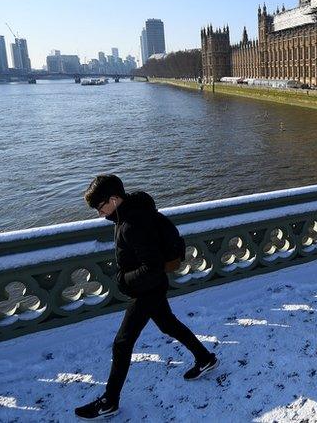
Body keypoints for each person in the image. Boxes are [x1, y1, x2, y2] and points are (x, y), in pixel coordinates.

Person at [75, 175, 218, 420]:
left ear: (113, 199)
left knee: (122, 342)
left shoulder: (132, 224)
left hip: (148, 289)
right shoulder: (129, 212)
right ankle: (205, 358)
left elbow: (150, 267)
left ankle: (109, 401)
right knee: (167, 324)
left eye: (100, 207)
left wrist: (123, 281)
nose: (99, 213)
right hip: (153, 285)